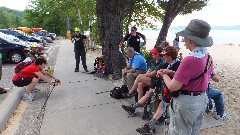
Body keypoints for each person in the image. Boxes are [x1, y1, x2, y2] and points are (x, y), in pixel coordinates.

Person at [157, 19, 214, 135]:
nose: (183, 41)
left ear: (191, 40)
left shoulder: (189, 60)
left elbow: (173, 87)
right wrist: (171, 72)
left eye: (185, 38)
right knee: (194, 131)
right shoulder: (207, 56)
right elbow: (194, 77)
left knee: (180, 132)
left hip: (187, 103)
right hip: (201, 99)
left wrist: (164, 74)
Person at [122, 46, 181, 134]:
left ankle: (150, 125)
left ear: (169, 56)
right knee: (149, 93)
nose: (163, 56)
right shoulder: (168, 64)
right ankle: (134, 108)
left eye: (164, 55)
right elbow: (159, 74)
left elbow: (175, 81)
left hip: (173, 92)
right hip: (164, 88)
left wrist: (162, 75)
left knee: (161, 105)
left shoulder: (177, 65)